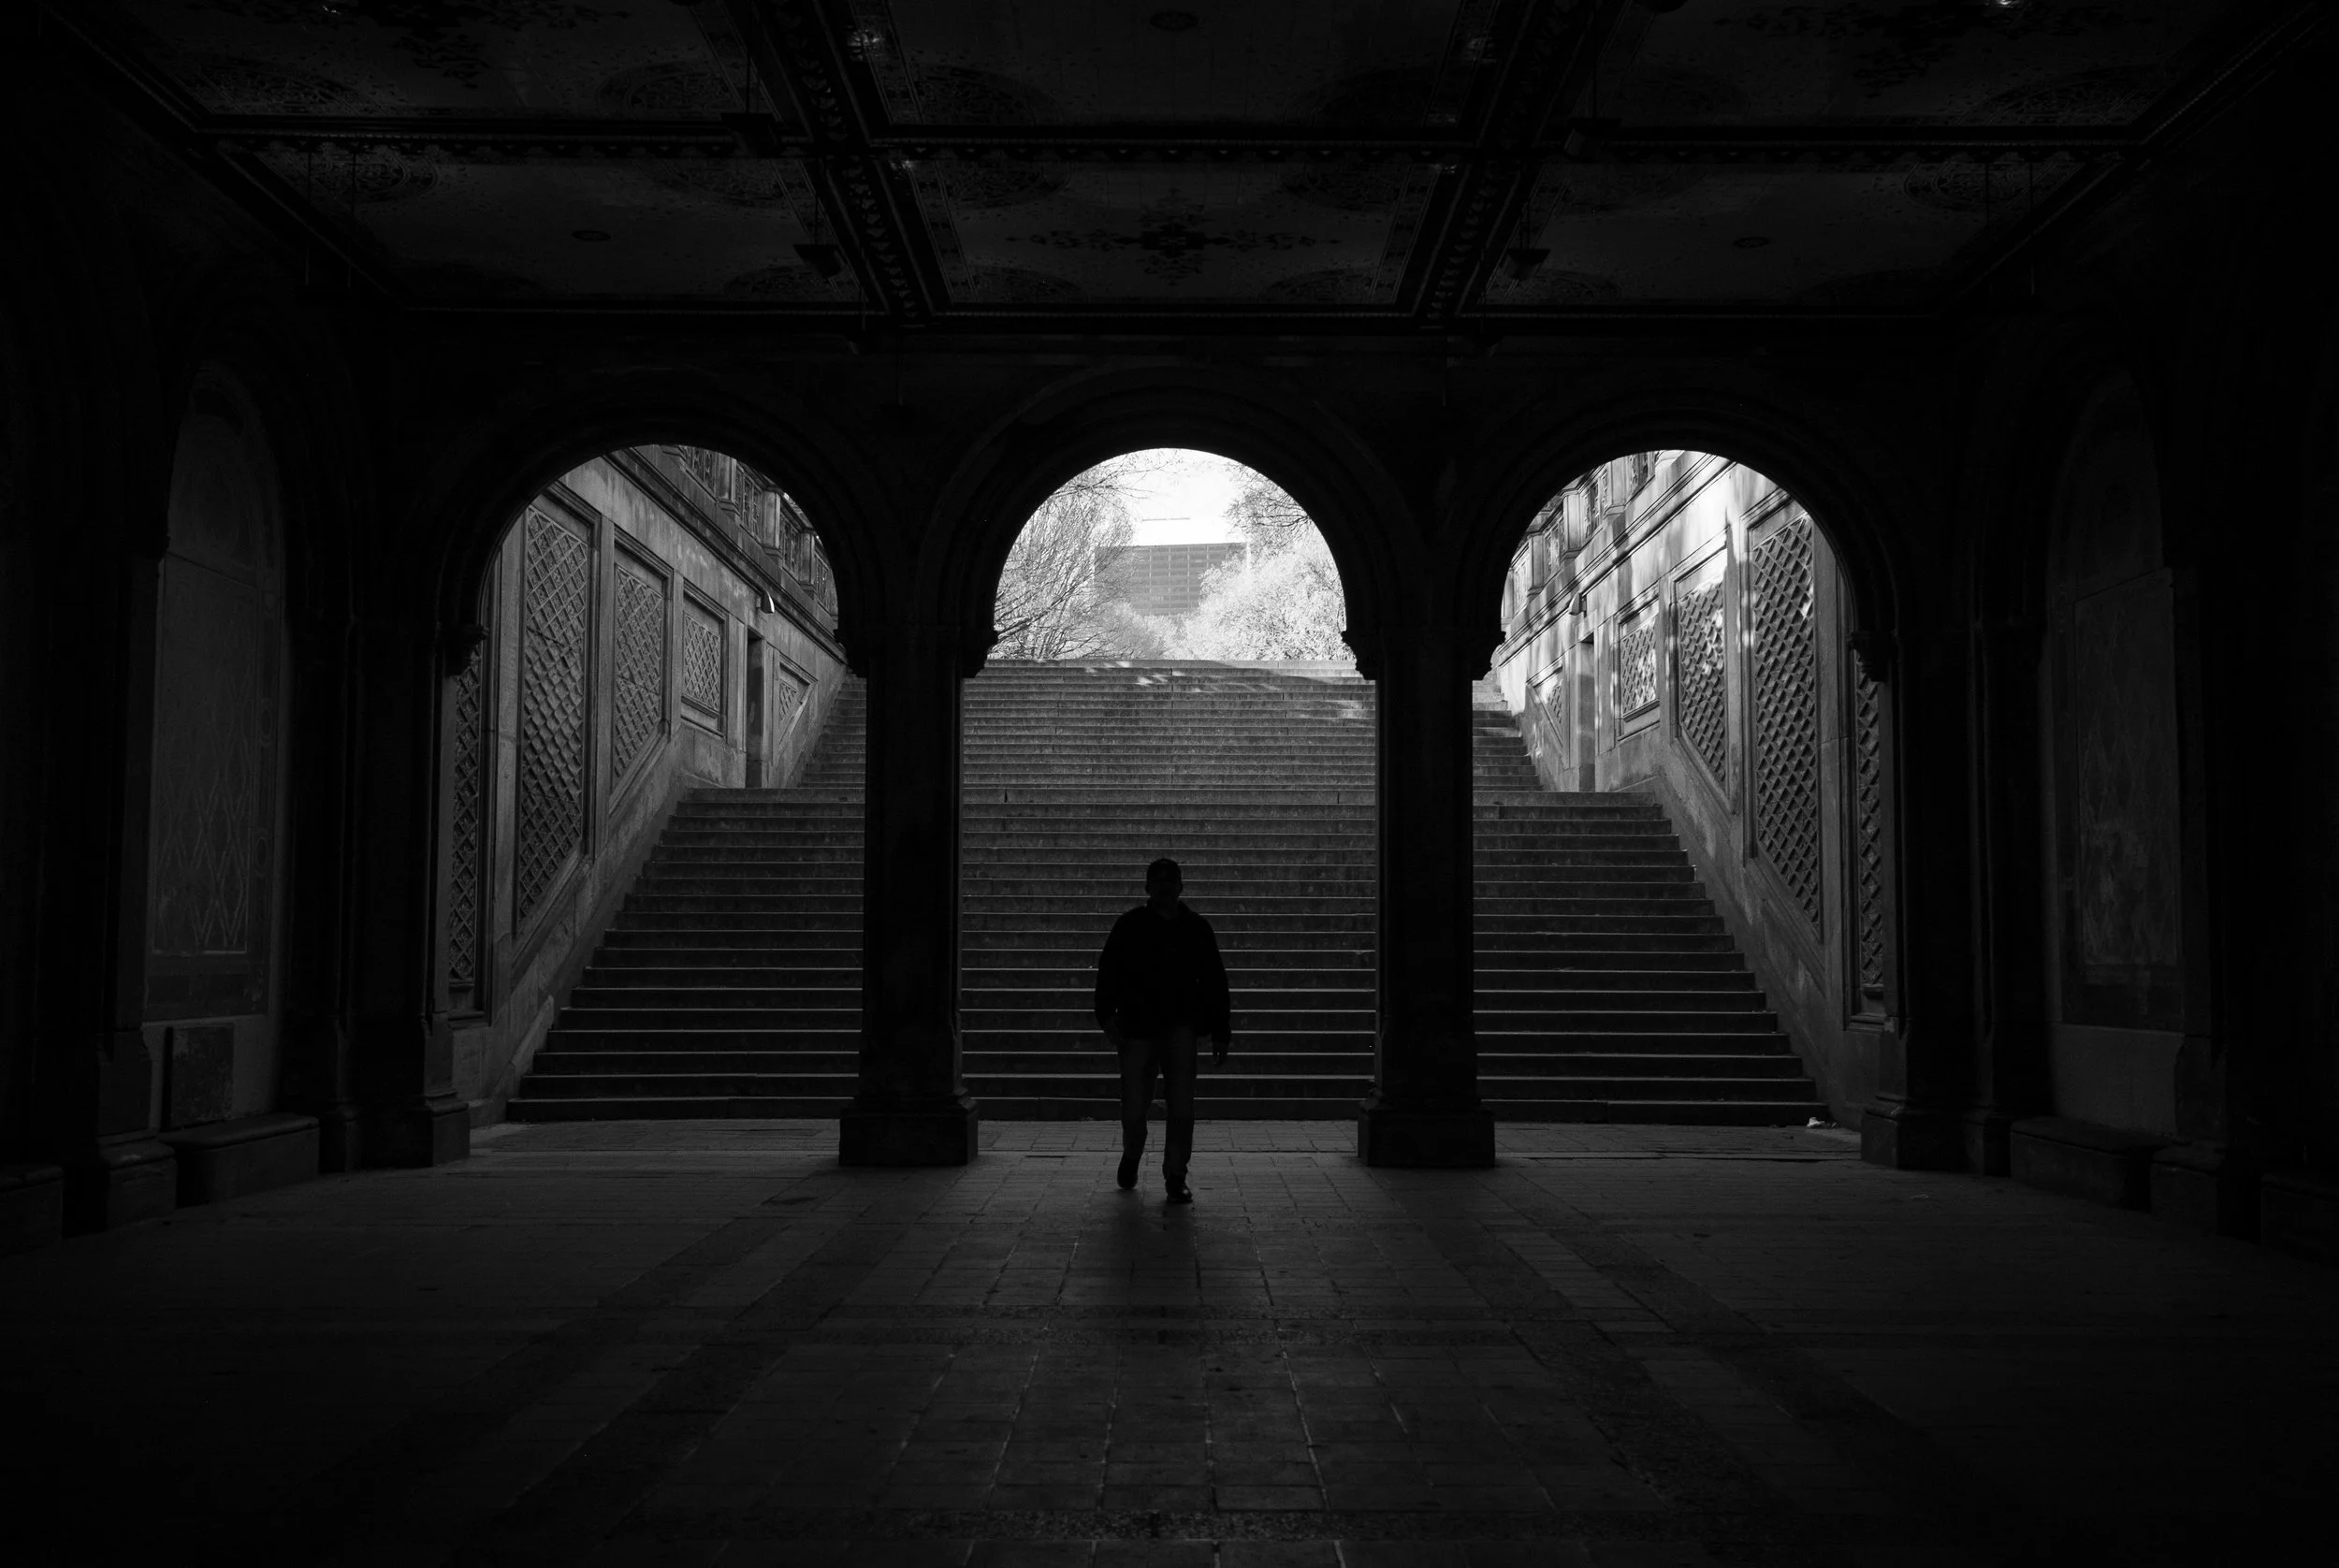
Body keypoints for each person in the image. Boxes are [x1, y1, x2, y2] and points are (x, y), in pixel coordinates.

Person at [1093, 857, 1231, 1204]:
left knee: (1181, 1105)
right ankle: (1133, 1153)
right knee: (1136, 1106)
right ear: (1148, 887)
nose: (1165, 886)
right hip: (1138, 1027)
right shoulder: (1131, 926)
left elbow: (1215, 981)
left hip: (1177, 1027)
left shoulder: (1195, 929)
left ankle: (1175, 1173)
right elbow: (1108, 973)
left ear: (1180, 886)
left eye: (1171, 880)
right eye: (1159, 880)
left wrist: (1220, 1031)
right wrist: (1106, 1017)